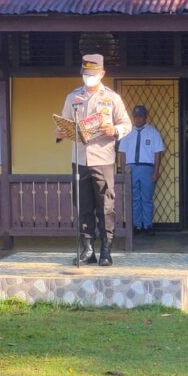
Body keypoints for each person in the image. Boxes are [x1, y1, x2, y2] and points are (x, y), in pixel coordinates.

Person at [57, 54, 132, 266]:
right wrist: (61, 131)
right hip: (79, 160)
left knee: (105, 206)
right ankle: (87, 249)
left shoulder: (112, 98)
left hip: (103, 159)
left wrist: (114, 130)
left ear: (102, 74)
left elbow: (126, 124)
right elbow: (64, 123)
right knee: (83, 206)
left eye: (93, 74)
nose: (89, 78)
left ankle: (106, 249)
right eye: (86, 74)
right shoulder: (73, 98)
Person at [119, 105, 165, 236]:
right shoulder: (127, 133)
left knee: (147, 198)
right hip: (131, 168)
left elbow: (158, 153)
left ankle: (147, 225)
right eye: (135, 116)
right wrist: (123, 171)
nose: (137, 119)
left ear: (145, 117)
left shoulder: (153, 132)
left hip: (147, 168)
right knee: (134, 198)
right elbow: (122, 153)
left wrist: (156, 172)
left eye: (140, 116)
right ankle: (136, 225)